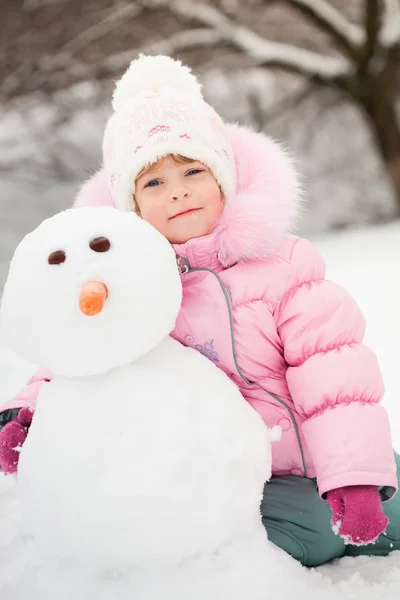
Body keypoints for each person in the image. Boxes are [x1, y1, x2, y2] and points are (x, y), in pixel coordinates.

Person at [1, 54, 399, 568]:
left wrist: (355, 475)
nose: (180, 190)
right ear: (132, 207)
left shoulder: (283, 265)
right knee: (310, 540)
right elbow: (85, 352)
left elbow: (335, 374)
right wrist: (29, 409)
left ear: (223, 179)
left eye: (193, 170)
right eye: (154, 182)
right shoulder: (133, 285)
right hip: (254, 476)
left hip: (330, 452)